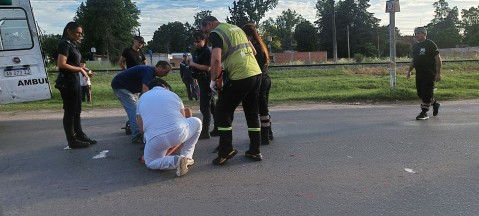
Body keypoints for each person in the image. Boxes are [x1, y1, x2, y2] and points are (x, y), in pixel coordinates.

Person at [201, 16, 263, 165]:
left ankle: (226, 150)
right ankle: (255, 151)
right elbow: (253, 52)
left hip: (240, 76)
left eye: (205, 30)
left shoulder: (217, 33)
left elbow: (215, 59)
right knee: (252, 113)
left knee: (222, 111)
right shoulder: (237, 29)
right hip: (255, 73)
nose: (206, 34)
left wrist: (213, 80)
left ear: (209, 24)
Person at [138, 78, 201, 177]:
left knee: (150, 162)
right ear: (165, 86)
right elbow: (183, 118)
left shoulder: (141, 98)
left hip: (155, 138)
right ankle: (187, 157)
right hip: (179, 133)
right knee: (197, 122)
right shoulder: (173, 95)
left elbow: (141, 128)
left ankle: (176, 160)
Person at [54, 21, 97, 149]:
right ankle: (71, 141)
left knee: (77, 111)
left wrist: (86, 71)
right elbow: (61, 64)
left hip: (74, 80)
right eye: (77, 33)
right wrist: (80, 70)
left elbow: (75, 64)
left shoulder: (73, 44)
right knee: (70, 112)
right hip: (66, 82)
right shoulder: (64, 44)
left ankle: (79, 135)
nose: (80, 35)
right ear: (69, 31)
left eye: (81, 33)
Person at [111, 61, 171, 144]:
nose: (166, 75)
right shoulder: (149, 72)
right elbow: (145, 89)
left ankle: (131, 125)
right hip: (121, 86)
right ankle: (136, 135)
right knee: (135, 110)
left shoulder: (151, 74)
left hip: (130, 88)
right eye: (165, 72)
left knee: (138, 108)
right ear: (159, 67)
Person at [242, 23, 274, 145]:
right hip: (266, 79)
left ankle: (264, 136)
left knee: (262, 109)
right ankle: (269, 133)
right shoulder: (262, 45)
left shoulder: (254, 48)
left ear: (248, 36)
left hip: (260, 81)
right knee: (264, 108)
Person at [189, 30, 220, 140]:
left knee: (204, 106)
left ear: (204, 40)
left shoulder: (207, 51)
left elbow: (208, 68)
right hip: (202, 80)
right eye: (194, 41)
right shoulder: (198, 51)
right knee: (212, 106)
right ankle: (217, 128)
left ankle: (205, 131)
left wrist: (193, 64)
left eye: (198, 41)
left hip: (206, 80)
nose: (196, 43)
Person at [407, 27, 442, 120]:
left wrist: (438, 73)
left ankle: (424, 112)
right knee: (421, 93)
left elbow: (438, 59)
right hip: (419, 73)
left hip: (429, 73)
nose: (416, 35)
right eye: (415, 33)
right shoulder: (415, 46)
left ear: (424, 34)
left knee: (426, 93)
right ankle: (435, 103)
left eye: (418, 33)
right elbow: (414, 60)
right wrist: (409, 71)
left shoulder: (430, 44)